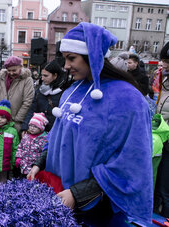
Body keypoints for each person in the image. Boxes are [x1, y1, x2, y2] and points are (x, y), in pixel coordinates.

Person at [28, 22, 152, 225]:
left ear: (91, 55)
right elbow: (58, 137)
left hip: (99, 210)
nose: (65, 66)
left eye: (71, 58)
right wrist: (39, 163)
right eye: (64, 58)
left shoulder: (128, 98)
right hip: (62, 198)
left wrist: (78, 194)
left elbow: (130, 162)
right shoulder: (72, 91)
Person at [21, 60, 67, 134]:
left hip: (55, 133)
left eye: (45, 76)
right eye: (42, 75)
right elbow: (32, 109)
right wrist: (25, 127)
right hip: (38, 132)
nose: (42, 78)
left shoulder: (64, 92)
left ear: (55, 75)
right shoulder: (40, 91)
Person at [0, 56, 35, 132]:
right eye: (9, 70)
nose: (11, 73)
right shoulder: (2, 78)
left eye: (14, 70)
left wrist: (17, 119)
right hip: (0, 122)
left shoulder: (27, 80)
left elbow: (28, 101)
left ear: (20, 67)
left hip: (15, 123)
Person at [154, 41, 169, 218]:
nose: (163, 65)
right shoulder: (164, 81)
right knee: (156, 188)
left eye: (167, 61)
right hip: (161, 142)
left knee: (166, 192)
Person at [15, 113, 48, 178]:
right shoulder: (26, 136)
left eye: (35, 126)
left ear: (41, 128)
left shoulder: (44, 139)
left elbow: (44, 153)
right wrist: (18, 158)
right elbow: (20, 147)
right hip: (23, 166)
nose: (32, 128)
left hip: (34, 168)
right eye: (31, 125)